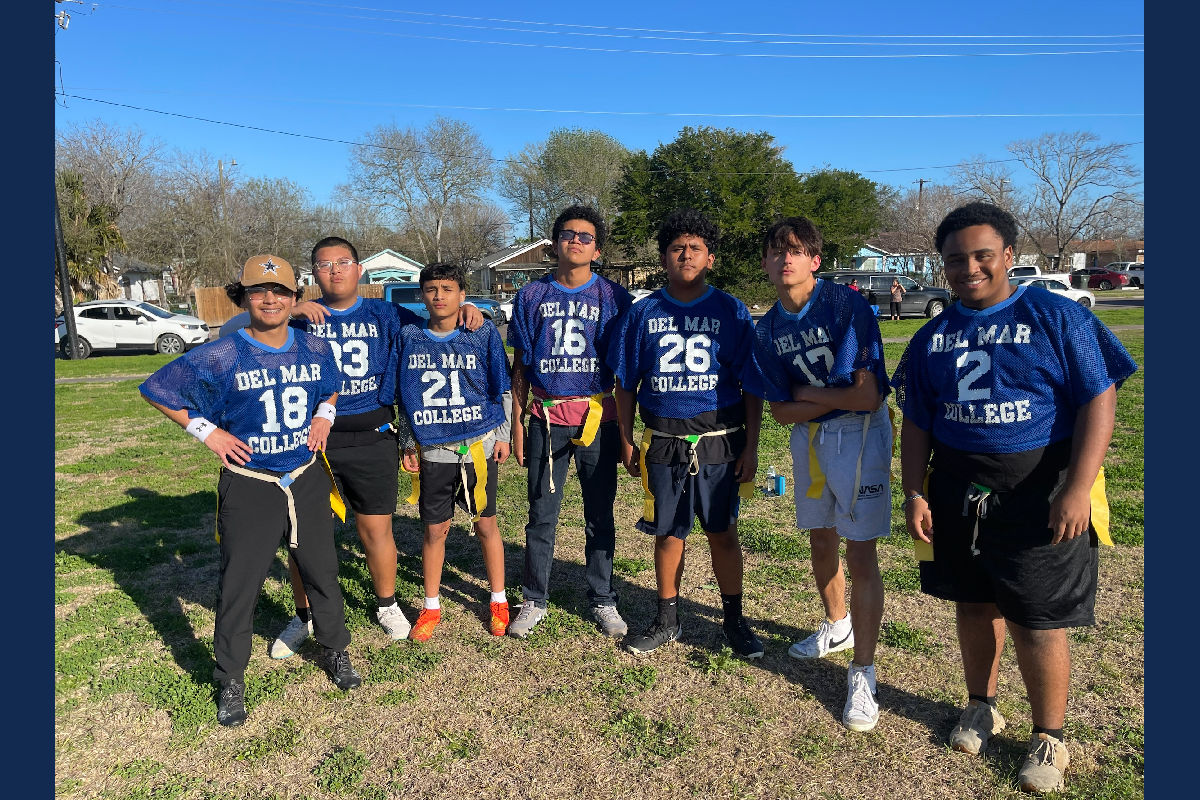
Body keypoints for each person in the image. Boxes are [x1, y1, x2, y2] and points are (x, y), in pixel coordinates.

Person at [891, 202, 1136, 794]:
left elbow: (1098, 398)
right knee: (973, 604)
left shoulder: (1055, 316)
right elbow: (918, 418)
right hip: (957, 486)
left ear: (1007, 255)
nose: (968, 267)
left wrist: (1077, 487)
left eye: (981, 255)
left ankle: (1049, 734)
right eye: (955, 259)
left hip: (1038, 486)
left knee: (1036, 618)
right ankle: (981, 704)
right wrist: (914, 491)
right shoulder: (932, 335)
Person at [139, 255, 361, 727]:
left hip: (304, 476)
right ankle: (231, 678)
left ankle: (336, 649)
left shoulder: (315, 348)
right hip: (251, 481)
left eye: (280, 291)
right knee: (240, 585)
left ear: (294, 298)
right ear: (243, 297)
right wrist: (207, 432)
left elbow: (331, 389)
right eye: (259, 291)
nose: (270, 299)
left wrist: (326, 415)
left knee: (322, 570)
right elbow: (157, 387)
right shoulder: (222, 352)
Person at [266, 237, 484, 659]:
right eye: (324, 264)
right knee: (301, 535)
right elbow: (246, 331)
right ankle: (303, 615)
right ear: (313, 273)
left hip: (373, 434)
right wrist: (289, 310)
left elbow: (435, 321)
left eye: (343, 262)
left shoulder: (385, 313)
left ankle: (387, 604)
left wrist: (466, 310)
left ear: (359, 269)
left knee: (375, 529)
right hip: (312, 439)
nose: (334, 270)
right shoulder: (298, 318)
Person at [743, 217, 893, 733]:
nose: (786, 258)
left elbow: (867, 396)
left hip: (858, 432)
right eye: (776, 250)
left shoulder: (844, 304)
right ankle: (837, 625)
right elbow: (780, 412)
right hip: (808, 437)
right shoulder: (766, 329)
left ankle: (864, 674)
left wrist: (809, 396)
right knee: (821, 539)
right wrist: (820, 400)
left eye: (797, 249)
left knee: (859, 550)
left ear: (815, 259)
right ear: (764, 263)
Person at [609, 209, 764, 658]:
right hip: (664, 440)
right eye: (677, 248)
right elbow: (626, 382)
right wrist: (625, 435)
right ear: (663, 258)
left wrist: (751, 445)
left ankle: (734, 620)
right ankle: (667, 618)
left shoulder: (730, 309)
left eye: (695, 247)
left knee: (722, 531)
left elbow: (749, 384)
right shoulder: (645, 312)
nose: (686, 254)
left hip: (720, 437)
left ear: (710, 258)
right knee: (668, 532)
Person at [506, 204, 632, 639]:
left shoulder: (616, 298)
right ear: (554, 241)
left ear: (597, 249)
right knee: (542, 511)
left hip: (598, 416)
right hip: (545, 415)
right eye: (567, 234)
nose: (575, 241)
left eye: (585, 236)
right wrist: (518, 422)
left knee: (600, 512)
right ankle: (534, 598)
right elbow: (520, 361)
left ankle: (602, 597)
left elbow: (626, 367)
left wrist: (629, 429)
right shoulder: (530, 296)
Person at [390, 263, 513, 641]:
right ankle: (430, 606)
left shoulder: (481, 332)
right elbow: (402, 394)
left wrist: (504, 435)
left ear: (463, 294)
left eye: (447, 288)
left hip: (478, 443)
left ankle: (498, 599)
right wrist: (407, 441)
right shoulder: (409, 335)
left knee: (486, 524)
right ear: (421, 295)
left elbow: (502, 387)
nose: (438, 295)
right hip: (434, 448)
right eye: (430, 289)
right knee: (434, 529)